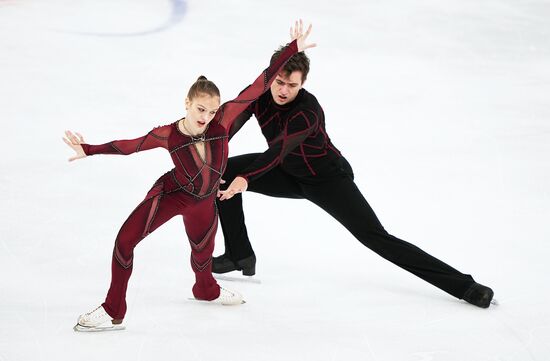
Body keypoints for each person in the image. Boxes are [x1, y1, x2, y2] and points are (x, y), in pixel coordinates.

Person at [213, 20, 494, 308]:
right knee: (220, 174)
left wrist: (246, 178)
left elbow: (279, 150)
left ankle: (465, 286)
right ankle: (239, 254)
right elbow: (230, 119)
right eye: (279, 82)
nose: (284, 90)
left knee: (376, 237)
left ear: (303, 83)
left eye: (292, 85)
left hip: (327, 180)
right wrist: (209, 151)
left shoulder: (307, 112)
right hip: (287, 173)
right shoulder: (260, 91)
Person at [63, 23, 317, 331]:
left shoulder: (221, 122)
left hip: (204, 202)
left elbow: (259, 84)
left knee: (202, 257)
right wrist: (88, 149)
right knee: (124, 242)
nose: (205, 117)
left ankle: (206, 291)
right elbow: (128, 146)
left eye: (211, 111)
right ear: (187, 103)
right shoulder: (168, 133)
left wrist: (291, 50)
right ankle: (113, 309)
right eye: (200, 109)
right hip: (172, 193)